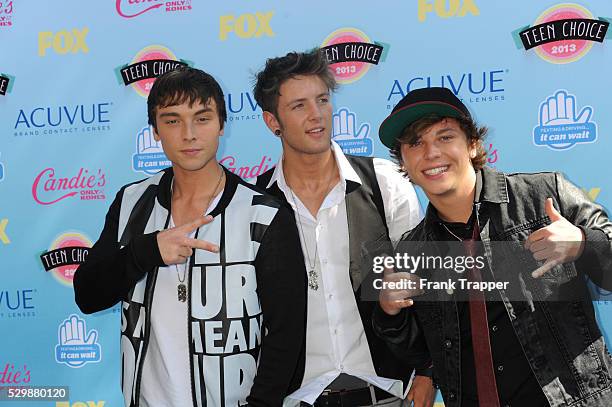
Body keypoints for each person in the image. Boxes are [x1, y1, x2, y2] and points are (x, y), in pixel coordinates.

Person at [74, 66, 307, 407]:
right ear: (155, 131)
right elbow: (88, 295)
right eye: (172, 121)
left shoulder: (264, 214)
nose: (188, 134)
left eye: (202, 118)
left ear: (221, 125)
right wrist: (145, 252)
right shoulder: (131, 202)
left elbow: (287, 337)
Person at [374, 86, 612, 406]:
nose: (430, 153)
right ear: (403, 160)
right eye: (415, 142)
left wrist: (583, 243)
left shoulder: (544, 196)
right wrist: (390, 312)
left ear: (472, 144)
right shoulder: (412, 251)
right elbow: (423, 355)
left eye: (445, 137)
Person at [252, 49, 436, 407]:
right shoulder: (253, 205)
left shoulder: (384, 182)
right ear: (272, 122)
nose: (317, 114)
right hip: (296, 398)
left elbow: (424, 284)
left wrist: (430, 371)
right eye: (299, 106)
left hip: (386, 393)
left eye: (322, 99)